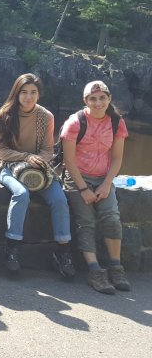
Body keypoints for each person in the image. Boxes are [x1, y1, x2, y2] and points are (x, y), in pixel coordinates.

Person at [0, 73, 75, 279]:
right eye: (24, 92)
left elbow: (48, 150)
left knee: (59, 199)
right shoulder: (4, 115)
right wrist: (26, 157)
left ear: (39, 94)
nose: (28, 97)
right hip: (6, 165)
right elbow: (2, 152)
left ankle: (63, 251)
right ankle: (12, 248)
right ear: (16, 94)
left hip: (37, 168)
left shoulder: (46, 116)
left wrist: (37, 162)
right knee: (21, 193)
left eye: (33, 92)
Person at [60, 80, 130, 294]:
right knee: (86, 222)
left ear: (109, 99)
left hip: (103, 179)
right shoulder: (75, 123)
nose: (98, 102)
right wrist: (83, 189)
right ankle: (94, 271)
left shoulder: (116, 122)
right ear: (85, 100)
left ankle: (115, 267)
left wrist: (107, 184)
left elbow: (117, 158)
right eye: (93, 98)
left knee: (112, 218)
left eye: (102, 98)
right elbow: (68, 161)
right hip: (77, 178)